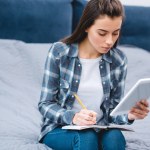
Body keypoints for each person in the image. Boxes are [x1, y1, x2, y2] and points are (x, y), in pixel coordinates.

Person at [38, 0, 149, 149]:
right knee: (87, 137)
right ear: (86, 27)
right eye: (102, 33)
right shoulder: (59, 52)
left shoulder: (118, 60)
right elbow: (45, 104)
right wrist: (74, 117)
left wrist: (130, 115)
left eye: (115, 33)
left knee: (115, 137)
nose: (109, 41)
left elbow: (112, 113)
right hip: (60, 128)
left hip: (101, 127)